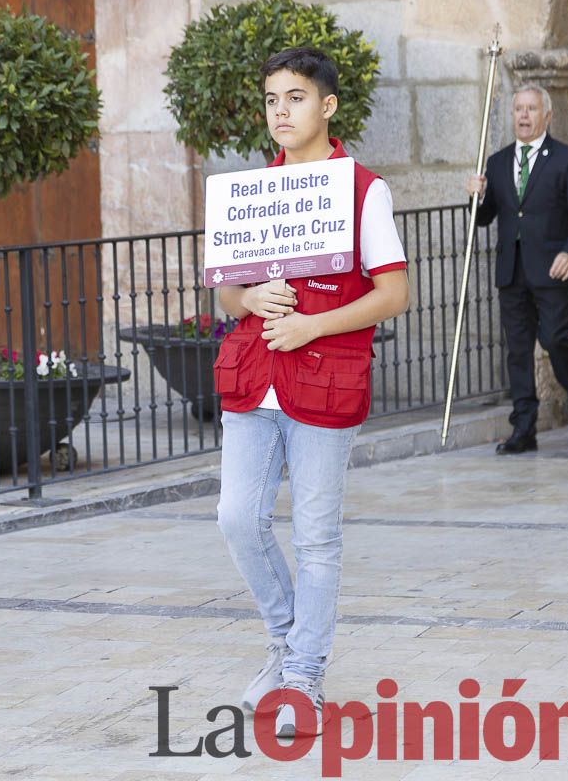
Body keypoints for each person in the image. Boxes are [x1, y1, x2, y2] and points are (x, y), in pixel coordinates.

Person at [213, 47, 409, 737]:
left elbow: (394, 293)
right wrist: (248, 296)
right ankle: (287, 637)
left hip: (323, 379)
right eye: (271, 100)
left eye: (295, 98)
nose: (280, 112)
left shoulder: (363, 190)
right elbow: (229, 289)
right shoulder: (252, 190)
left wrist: (313, 325)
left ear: (326, 106)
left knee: (317, 536)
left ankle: (303, 677)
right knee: (237, 517)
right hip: (252, 378)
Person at [465, 84, 568, 454]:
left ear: (547, 116)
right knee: (518, 350)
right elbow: (484, 218)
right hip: (512, 271)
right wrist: (475, 196)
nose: (523, 116)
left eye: (531, 109)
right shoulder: (498, 161)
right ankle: (524, 427)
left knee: (555, 338)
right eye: (518, 109)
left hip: (553, 268)